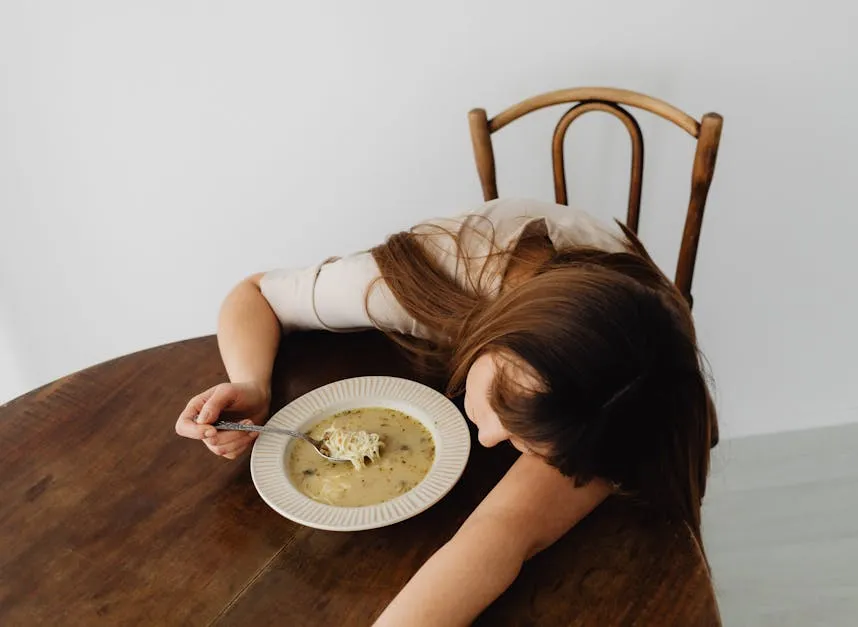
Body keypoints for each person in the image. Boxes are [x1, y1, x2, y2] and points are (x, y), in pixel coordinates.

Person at [174, 197, 717, 626]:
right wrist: (250, 382)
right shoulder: (434, 272)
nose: (488, 440)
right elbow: (255, 293)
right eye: (506, 409)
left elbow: (498, 535)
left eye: (526, 444)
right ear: (499, 334)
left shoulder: (633, 394)